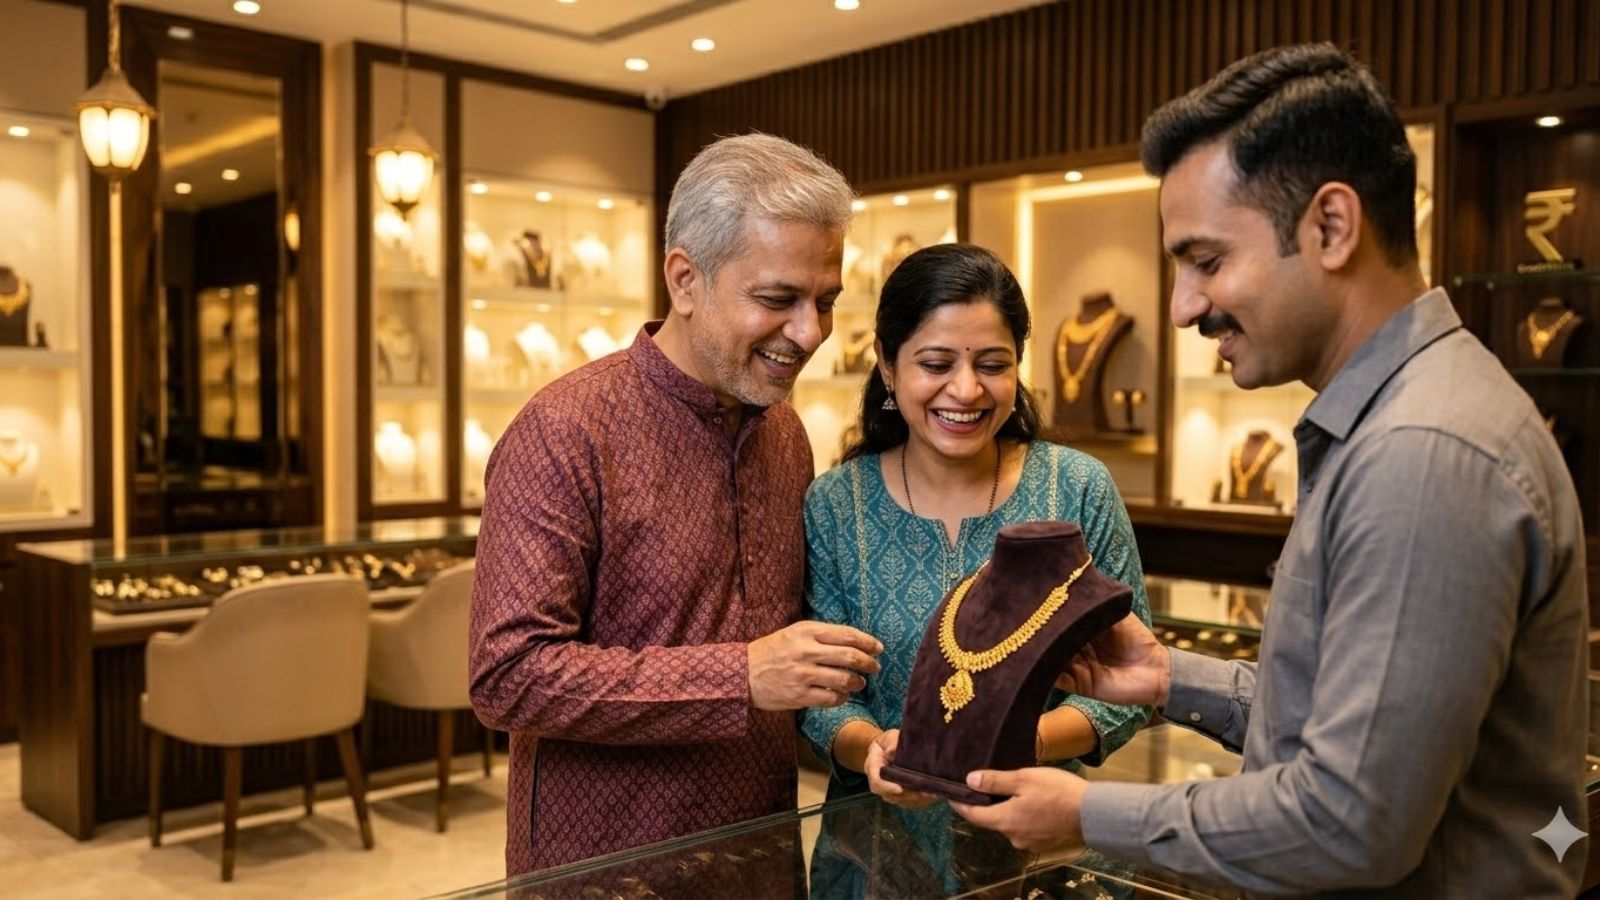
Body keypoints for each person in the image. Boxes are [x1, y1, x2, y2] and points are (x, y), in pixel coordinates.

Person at [954, 43, 1589, 897]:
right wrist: (1173, 679)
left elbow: (1348, 822)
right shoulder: (1400, 425)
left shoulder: (1422, 455)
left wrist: (1087, 814)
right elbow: (1340, 725)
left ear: (1331, 226)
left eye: (1206, 261)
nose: (1181, 306)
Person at [468, 133, 884, 877]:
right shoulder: (564, 431)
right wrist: (739, 677)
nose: (811, 332)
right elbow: (508, 674)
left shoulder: (784, 432)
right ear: (685, 280)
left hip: (759, 855)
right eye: (778, 299)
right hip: (604, 869)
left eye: (826, 301)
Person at [800, 243, 1154, 896]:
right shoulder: (834, 504)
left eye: (993, 365)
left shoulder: (1075, 488)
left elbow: (1128, 686)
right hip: (874, 858)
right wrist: (871, 748)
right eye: (936, 363)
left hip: (1043, 850)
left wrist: (1011, 751)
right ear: (885, 361)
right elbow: (822, 695)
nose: (965, 390)